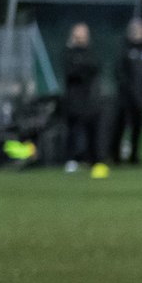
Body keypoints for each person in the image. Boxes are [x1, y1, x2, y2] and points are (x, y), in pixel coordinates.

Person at [61, 22, 107, 175]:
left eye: (83, 34)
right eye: (78, 35)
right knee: (73, 130)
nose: (81, 38)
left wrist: (82, 67)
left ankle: (93, 159)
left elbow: (94, 67)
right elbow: (71, 72)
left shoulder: (91, 52)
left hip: (90, 99)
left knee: (92, 130)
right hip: (74, 99)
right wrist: (82, 68)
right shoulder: (68, 52)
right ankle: (71, 159)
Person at [111, 17, 142, 165]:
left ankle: (134, 155)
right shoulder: (125, 49)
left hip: (141, 97)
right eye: (135, 30)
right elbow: (119, 72)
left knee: (138, 127)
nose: (138, 33)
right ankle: (115, 155)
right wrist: (129, 91)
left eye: (141, 30)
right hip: (126, 97)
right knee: (121, 126)